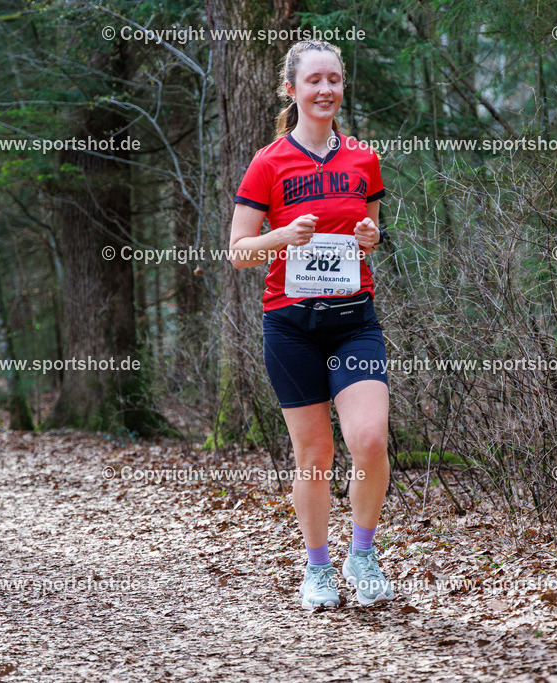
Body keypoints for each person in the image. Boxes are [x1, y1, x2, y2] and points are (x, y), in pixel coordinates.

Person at [228, 40, 394, 609]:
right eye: (314, 80)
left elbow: (367, 236)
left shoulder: (363, 160)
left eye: (335, 80)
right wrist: (281, 236)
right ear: (291, 89)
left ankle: (363, 553)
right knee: (315, 456)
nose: (326, 90)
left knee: (369, 441)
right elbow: (239, 251)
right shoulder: (268, 162)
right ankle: (318, 567)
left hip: (353, 320)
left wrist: (372, 238)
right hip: (291, 326)